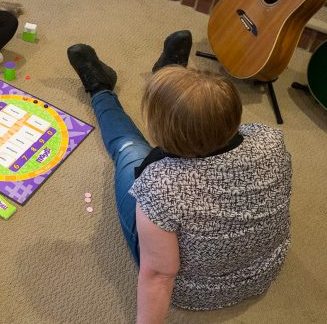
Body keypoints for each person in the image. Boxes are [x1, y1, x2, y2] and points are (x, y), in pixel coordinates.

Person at [66, 31, 292, 321]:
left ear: (162, 133)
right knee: (190, 122)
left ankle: (100, 88)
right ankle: (170, 76)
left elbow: (160, 275)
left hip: (197, 291)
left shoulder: (158, 184)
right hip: (261, 271)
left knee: (128, 148)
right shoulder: (270, 137)